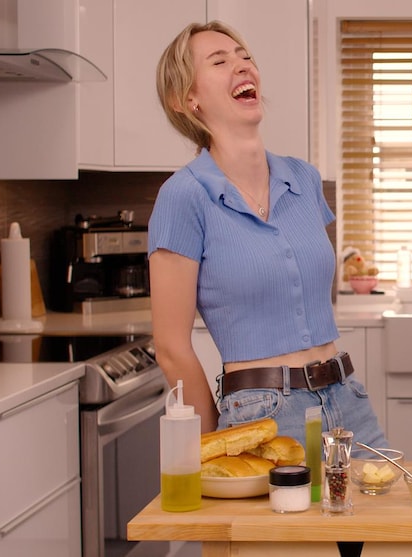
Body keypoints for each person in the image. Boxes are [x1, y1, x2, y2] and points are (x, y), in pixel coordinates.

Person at [148, 21, 388, 459]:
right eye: (220, 61)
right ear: (187, 99)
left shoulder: (303, 178)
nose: (242, 66)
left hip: (346, 399)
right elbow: (170, 347)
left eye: (245, 57)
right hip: (262, 416)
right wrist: (213, 449)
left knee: (382, 526)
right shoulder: (183, 197)